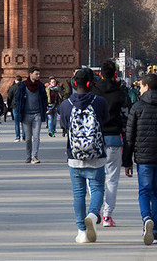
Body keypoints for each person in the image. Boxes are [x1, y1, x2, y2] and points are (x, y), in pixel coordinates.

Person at [124, 73, 157, 246]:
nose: (139, 88)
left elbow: (129, 137)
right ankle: (155, 232)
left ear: (147, 87)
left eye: (140, 86)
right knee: (156, 193)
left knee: (144, 191)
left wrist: (127, 161)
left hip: (143, 157)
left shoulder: (137, 107)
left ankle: (146, 219)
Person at [60, 67, 110, 244]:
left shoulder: (65, 104)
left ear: (74, 83)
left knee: (78, 194)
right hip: (96, 155)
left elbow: (64, 126)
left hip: (74, 156)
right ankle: (92, 214)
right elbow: (104, 121)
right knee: (97, 189)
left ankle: (81, 231)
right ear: (91, 83)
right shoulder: (100, 102)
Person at [92, 60, 130, 228]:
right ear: (115, 74)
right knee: (112, 179)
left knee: (94, 177)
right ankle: (107, 215)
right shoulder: (121, 93)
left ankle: (95, 210)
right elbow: (126, 118)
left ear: (100, 73)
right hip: (114, 137)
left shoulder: (93, 93)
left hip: (96, 138)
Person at [15, 66, 48, 163]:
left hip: (37, 114)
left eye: (39, 74)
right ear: (31, 74)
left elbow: (44, 99)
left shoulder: (41, 86)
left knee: (36, 136)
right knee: (28, 138)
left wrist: (44, 108)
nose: (38, 76)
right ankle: (28, 156)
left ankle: (35, 156)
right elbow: (18, 99)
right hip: (26, 115)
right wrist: (19, 110)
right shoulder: (23, 86)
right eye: (36, 74)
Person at [7, 75, 24, 142]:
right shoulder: (24, 87)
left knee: (16, 122)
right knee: (23, 121)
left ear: (15, 80)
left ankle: (17, 137)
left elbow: (9, 97)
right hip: (23, 106)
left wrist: (9, 106)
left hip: (15, 106)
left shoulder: (13, 87)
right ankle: (24, 136)